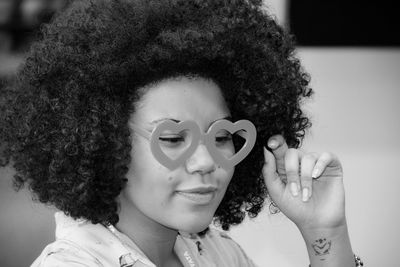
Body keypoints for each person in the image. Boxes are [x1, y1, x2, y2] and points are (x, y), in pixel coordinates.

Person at [0, 0, 362, 266]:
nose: (206, 162)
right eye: (173, 139)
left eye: (222, 137)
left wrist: (324, 232)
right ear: (103, 143)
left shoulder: (218, 253)